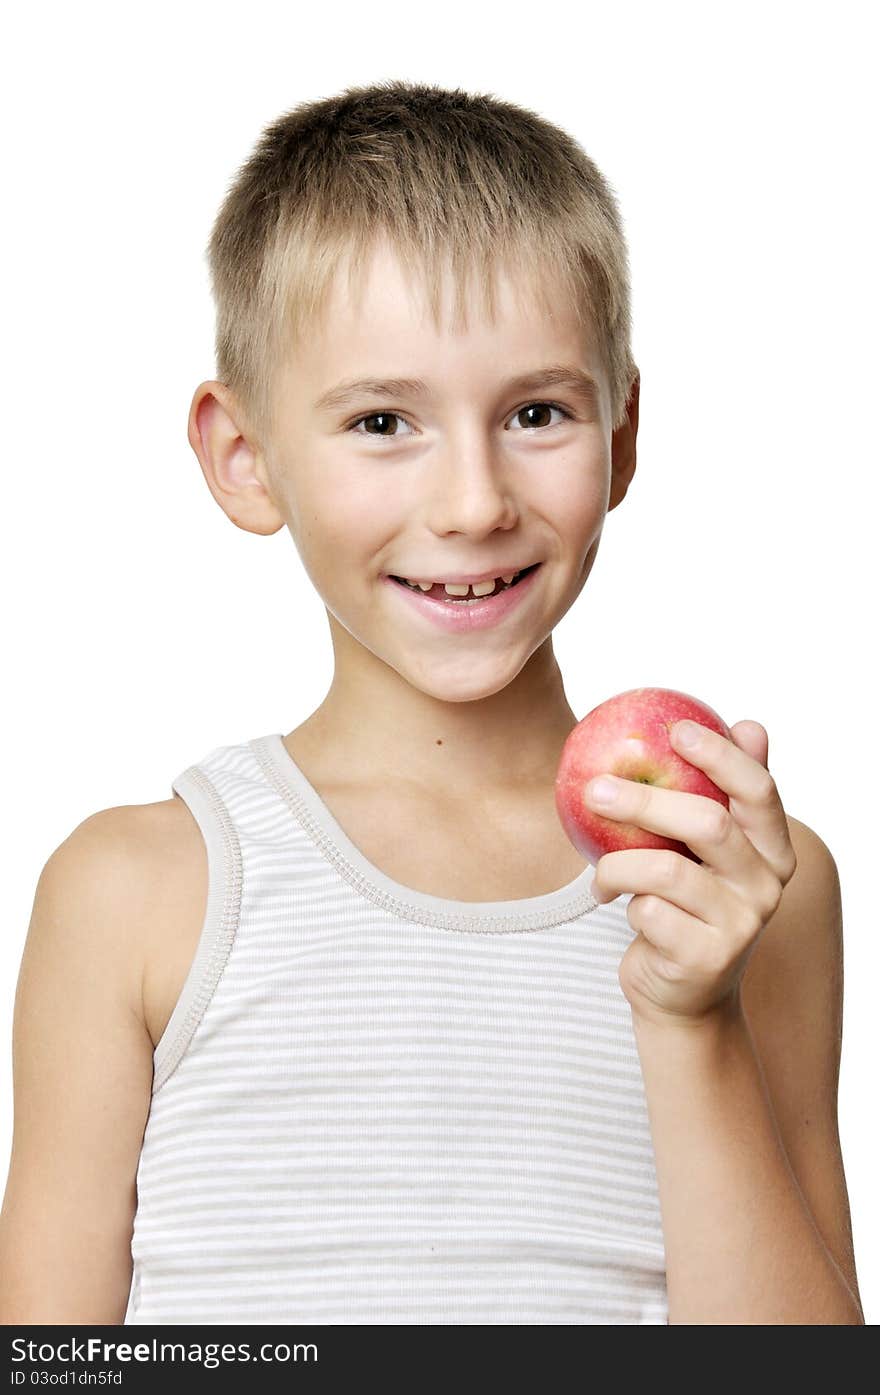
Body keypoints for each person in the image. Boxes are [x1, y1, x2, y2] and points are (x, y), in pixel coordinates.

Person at [0, 80, 865, 1326]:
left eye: (535, 413)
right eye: (383, 420)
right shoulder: (136, 889)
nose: (472, 502)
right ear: (244, 461)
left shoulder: (735, 887)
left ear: (622, 436)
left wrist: (692, 1020)